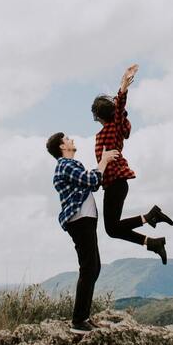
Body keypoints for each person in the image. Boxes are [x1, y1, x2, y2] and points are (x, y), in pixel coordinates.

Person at [93, 63, 173, 264]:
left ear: (100, 115)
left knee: (112, 229)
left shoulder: (114, 127)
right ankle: (152, 241)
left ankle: (150, 218)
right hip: (113, 185)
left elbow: (120, 107)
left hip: (117, 183)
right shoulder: (106, 132)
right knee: (112, 229)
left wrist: (123, 87)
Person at [46, 131, 118, 334]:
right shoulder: (65, 165)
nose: (71, 140)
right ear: (62, 147)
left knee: (93, 267)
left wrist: (99, 171)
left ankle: (84, 317)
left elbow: (93, 183)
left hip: (85, 220)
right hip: (79, 220)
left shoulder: (72, 165)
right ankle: (78, 321)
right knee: (88, 268)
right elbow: (91, 180)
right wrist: (103, 161)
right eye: (67, 139)